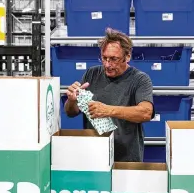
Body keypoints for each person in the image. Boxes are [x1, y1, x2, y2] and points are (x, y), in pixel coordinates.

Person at [64, 28, 155, 162]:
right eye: (104, 58)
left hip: (127, 159)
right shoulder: (92, 74)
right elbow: (71, 112)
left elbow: (146, 112)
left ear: (127, 56)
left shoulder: (140, 79)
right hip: (94, 155)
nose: (107, 64)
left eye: (114, 59)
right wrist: (71, 101)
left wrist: (107, 110)